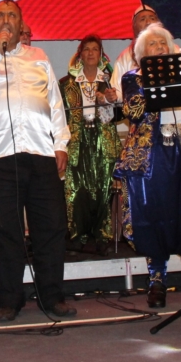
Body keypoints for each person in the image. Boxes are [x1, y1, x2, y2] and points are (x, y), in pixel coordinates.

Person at [0, 0, 75, 322]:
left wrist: (61, 144)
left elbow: (55, 102)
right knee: (7, 231)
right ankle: (9, 300)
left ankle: (52, 297)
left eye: (12, 15)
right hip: (1, 156)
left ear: (21, 22)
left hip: (41, 153)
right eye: (1, 15)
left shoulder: (39, 56)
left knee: (50, 227)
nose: (7, 19)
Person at [115, 22, 181, 307]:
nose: (160, 47)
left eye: (164, 43)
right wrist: (157, 80)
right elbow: (134, 111)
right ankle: (157, 279)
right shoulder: (133, 78)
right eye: (153, 44)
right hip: (155, 156)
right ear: (140, 55)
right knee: (155, 216)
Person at [60, 35, 120, 254]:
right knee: (77, 191)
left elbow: (119, 115)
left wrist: (111, 101)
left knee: (104, 189)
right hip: (77, 140)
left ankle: (103, 237)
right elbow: (61, 116)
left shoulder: (111, 81)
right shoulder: (66, 84)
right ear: (80, 55)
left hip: (103, 138)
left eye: (95, 49)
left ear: (101, 54)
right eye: (87, 49)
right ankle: (77, 236)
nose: (91, 53)